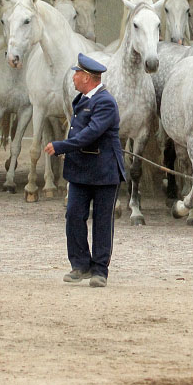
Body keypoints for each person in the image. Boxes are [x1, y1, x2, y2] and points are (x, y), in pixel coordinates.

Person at [45, 53, 125, 288]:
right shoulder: (81, 99)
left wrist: (61, 146)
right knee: (73, 216)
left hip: (104, 172)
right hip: (80, 170)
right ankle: (80, 264)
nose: (74, 77)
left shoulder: (106, 102)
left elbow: (90, 133)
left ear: (88, 78)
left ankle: (100, 269)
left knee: (102, 221)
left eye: (77, 73)